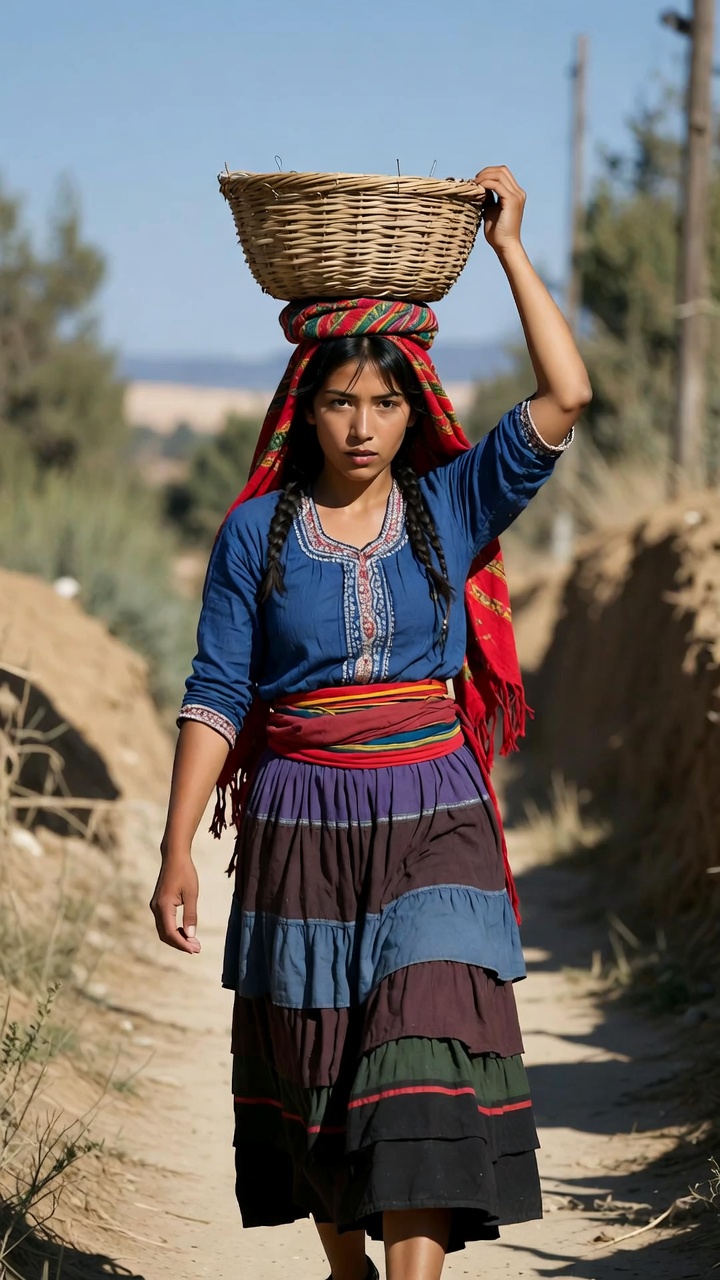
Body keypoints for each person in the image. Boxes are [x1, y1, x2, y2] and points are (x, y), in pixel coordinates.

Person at [151, 166, 591, 1280]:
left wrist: (510, 250)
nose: (362, 424)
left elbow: (569, 395)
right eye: (342, 400)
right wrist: (175, 853)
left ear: (414, 409)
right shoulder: (255, 534)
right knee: (321, 1076)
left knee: (421, 1049)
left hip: (434, 809)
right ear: (308, 405)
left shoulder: (451, 503)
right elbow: (217, 693)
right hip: (302, 818)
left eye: (386, 402)